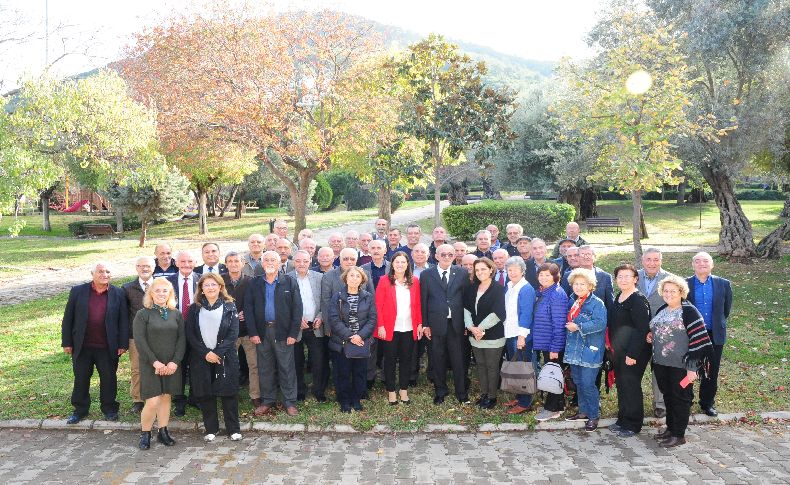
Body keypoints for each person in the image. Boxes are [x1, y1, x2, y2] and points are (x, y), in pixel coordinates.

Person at [648, 275, 713, 447]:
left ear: (681, 292)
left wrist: (692, 368)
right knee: (669, 396)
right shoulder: (662, 309)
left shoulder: (689, 311)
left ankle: (679, 435)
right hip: (662, 364)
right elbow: (659, 330)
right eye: (666, 291)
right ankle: (670, 429)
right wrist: (651, 335)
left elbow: (700, 341)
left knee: (681, 398)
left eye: (673, 291)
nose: (669, 294)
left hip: (682, 366)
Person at [61, 262, 129, 424]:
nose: (104, 274)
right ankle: (80, 410)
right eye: (100, 271)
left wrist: (122, 344)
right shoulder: (78, 291)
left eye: (107, 271)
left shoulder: (118, 293)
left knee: (109, 379)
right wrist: (67, 342)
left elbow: (123, 321)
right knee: (81, 378)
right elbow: (68, 318)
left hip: (108, 347)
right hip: (82, 346)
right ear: (92, 273)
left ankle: (109, 409)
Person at [245, 251, 303, 417]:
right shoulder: (255, 283)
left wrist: (293, 333)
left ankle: (290, 402)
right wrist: (253, 332)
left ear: (279, 263)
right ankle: (267, 400)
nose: (270, 262)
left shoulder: (289, 282)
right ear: (262, 264)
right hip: (262, 333)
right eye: (267, 260)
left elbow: (297, 309)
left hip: (283, 332)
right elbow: (248, 309)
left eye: (273, 260)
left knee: (286, 367)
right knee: (265, 368)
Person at [185, 273, 242, 442]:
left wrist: (217, 352)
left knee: (228, 393)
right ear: (201, 289)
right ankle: (211, 428)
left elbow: (233, 334)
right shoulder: (194, 308)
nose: (210, 288)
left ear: (220, 287)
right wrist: (206, 353)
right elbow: (190, 334)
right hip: (201, 357)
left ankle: (233, 429)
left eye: (213, 285)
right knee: (205, 393)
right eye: (206, 285)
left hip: (224, 356)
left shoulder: (230, 306)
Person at [133, 277, 185, 450]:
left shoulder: (176, 313)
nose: (161, 294)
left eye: (165, 291)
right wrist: (155, 362)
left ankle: (163, 432)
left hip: (171, 365)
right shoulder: (143, 314)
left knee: (165, 398)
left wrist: (175, 362)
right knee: (153, 400)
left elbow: (181, 340)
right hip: (151, 364)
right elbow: (140, 342)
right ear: (151, 293)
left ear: (170, 293)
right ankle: (145, 433)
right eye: (157, 290)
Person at [421, 244, 470, 405]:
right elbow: (424, 301)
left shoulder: (461, 273)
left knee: (458, 359)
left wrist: (466, 324)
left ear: (455, 256)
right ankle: (440, 391)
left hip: (456, 324)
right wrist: (425, 324)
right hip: (435, 325)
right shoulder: (427, 274)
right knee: (437, 358)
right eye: (443, 254)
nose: (447, 257)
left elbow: (466, 300)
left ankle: (461, 392)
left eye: (450, 254)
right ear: (436, 256)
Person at [686, 251, 732, 417]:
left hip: (714, 334)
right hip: (690, 335)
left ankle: (707, 403)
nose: (702, 264)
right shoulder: (685, 284)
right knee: (689, 367)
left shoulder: (723, 284)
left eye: (705, 261)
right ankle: (686, 401)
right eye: (697, 261)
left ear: (712, 264)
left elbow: (725, 310)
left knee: (711, 370)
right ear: (693, 265)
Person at [608, 264, 651, 437]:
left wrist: (632, 354)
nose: (623, 279)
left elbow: (642, 329)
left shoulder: (638, 299)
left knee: (631, 386)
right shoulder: (619, 296)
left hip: (634, 352)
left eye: (627, 276)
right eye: (620, 276)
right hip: (619, 350)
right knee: (622, 385)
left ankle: (633, 424)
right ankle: (623, 420)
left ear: (635, 279)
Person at [375, 252, 423, 405]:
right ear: (392, 264)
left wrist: (420, 324)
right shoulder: (384, 281)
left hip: (409, 327)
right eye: (397, 262)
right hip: (390, 328)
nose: (400, 265)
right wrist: (380, 325)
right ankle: (391, 392)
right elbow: (378, 305)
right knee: (389, 360)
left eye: (403, 262)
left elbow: (418, 305)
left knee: (406, 360)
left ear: (408, 264)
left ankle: (403, 390)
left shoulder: (414, 281)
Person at [327, 267, 377, 412]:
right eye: (351, 275)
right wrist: (350, 336)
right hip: (342, 342)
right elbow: (334, 320)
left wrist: (360, 336)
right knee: (342, 373)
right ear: (345, 278)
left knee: (359, 373)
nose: (354, 278)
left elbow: (372, 319)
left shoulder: (368, 297)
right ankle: (344, 401)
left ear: (362, 279)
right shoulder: (337, 297)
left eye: (357, 276)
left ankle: (356, 399)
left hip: (361, 341)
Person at [564, 267, 607, 431]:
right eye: (576, 284)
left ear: (590, 286)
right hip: (574, 349)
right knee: (579, 382)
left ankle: (594, 415)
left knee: (588, 384)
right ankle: (583, 411)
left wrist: (579, 326)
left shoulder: (597, 303)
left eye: (583, 284)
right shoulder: (572, 301)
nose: (579, 287)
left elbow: (600, 323)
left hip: (590, 350)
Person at [463, 257, 506, 409]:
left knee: (492, 366)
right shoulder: (472, 288)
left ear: (491, 270)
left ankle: (492, 397)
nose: (480, 272)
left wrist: (480, 329)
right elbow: (466, 309)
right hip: (475, 335)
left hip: (493, 335)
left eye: (483, 269)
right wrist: (470, 327)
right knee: (480, 365)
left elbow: (498, 313)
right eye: (477, 270)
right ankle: (484, 394)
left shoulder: (499, 289)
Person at [637, 248, 674, 418]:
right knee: (634, 369)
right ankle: (633, 403)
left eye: (656, 259)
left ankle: (660, 404)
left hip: (661, 332)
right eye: (649, 259)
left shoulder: (670, 279)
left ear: (661, 261)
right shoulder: (633, 276)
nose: (652, 263)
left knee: (659, 368)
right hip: (637, 331)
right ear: (643, 261)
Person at [288, 250, 327, 403]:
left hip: (315, 325)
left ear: (310, 261)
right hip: (295, 327)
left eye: (305, 261)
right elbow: (284, 304)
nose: (301, 264)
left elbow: (325, 300)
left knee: (318, 361)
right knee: (297, 361)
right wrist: (296, 319)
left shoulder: (319, 277)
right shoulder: (286, 278)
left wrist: (321, 316)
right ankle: (300, 391)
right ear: (293, 262)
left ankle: (318, 390)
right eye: (298, 261)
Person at [532, 262, 570, 422]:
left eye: (548, 275)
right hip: (545, 342)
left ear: (555, 276)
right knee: (553, 374)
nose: (544, 277)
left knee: (554, 375)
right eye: (541, 274)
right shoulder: (544, 292)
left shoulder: (557, 294)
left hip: (553, 344)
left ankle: (553, 408)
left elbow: (559, 324)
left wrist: (555, 348)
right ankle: (557, 404)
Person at [222, 252, 258, 408]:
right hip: (228, 332)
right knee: (228, 364)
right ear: (226, 264)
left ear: (243, 263)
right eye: (230, 261)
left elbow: (258, 303)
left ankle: (255, 395)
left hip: (248, 331)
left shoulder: (251, 281)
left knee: (254, 365)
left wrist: (247, 313)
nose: (234, 264)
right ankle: (230, 393)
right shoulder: (220, 282)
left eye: (236, 261)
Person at [167, 250, 200, 416]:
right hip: (175, 331)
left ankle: (195, 397)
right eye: (183, 261)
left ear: (194, 263)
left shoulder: (202, 280)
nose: (187, 265)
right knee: (178, 365)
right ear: (177, 263)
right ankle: (179, 399)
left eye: (190, 261)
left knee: (196, 364)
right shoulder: (167, 282)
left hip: (197, 331)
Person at [502, 256, 536, 414]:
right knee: (516, 366)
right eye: (509, 270)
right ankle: (519, 396)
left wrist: (522, 337)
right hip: (510, 332)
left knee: (523, 368)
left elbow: (526, 314)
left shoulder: (526, 288)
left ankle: (525, 403)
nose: (512, 272)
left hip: (520, 335)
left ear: (523, 271)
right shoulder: (509, 286)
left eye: (516, 269)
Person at [122, 256, 156, 414]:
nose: (144, 268)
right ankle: (138, 399)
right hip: (135, 337)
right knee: (137, 369)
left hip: (158, 335)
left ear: (153, 268)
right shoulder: (127, 288)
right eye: (140, 266)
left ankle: (156, 396)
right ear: (136, 268)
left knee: (157, 366)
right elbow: (123, 314)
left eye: (147, 266)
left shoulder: (162, 285)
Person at [361, 239, 390, 388]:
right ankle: (369, 377)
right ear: (369, 250)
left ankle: (387, 377)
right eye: (373, 248)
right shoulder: (362, 268)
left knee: (387, 346)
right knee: (371, 346)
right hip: (369, 312)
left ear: (385, 250)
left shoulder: (393, 267)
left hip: (389, 312)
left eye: (379, 248)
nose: (376, 250)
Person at [564, 245, 614, 310]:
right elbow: (564, 300)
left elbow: (610, 303)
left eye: (589, 254)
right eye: (582, 254)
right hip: (574, 317)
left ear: (594, 257)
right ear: (578, 257)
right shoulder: (568, 275)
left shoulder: (606, 277)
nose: (586, 257)